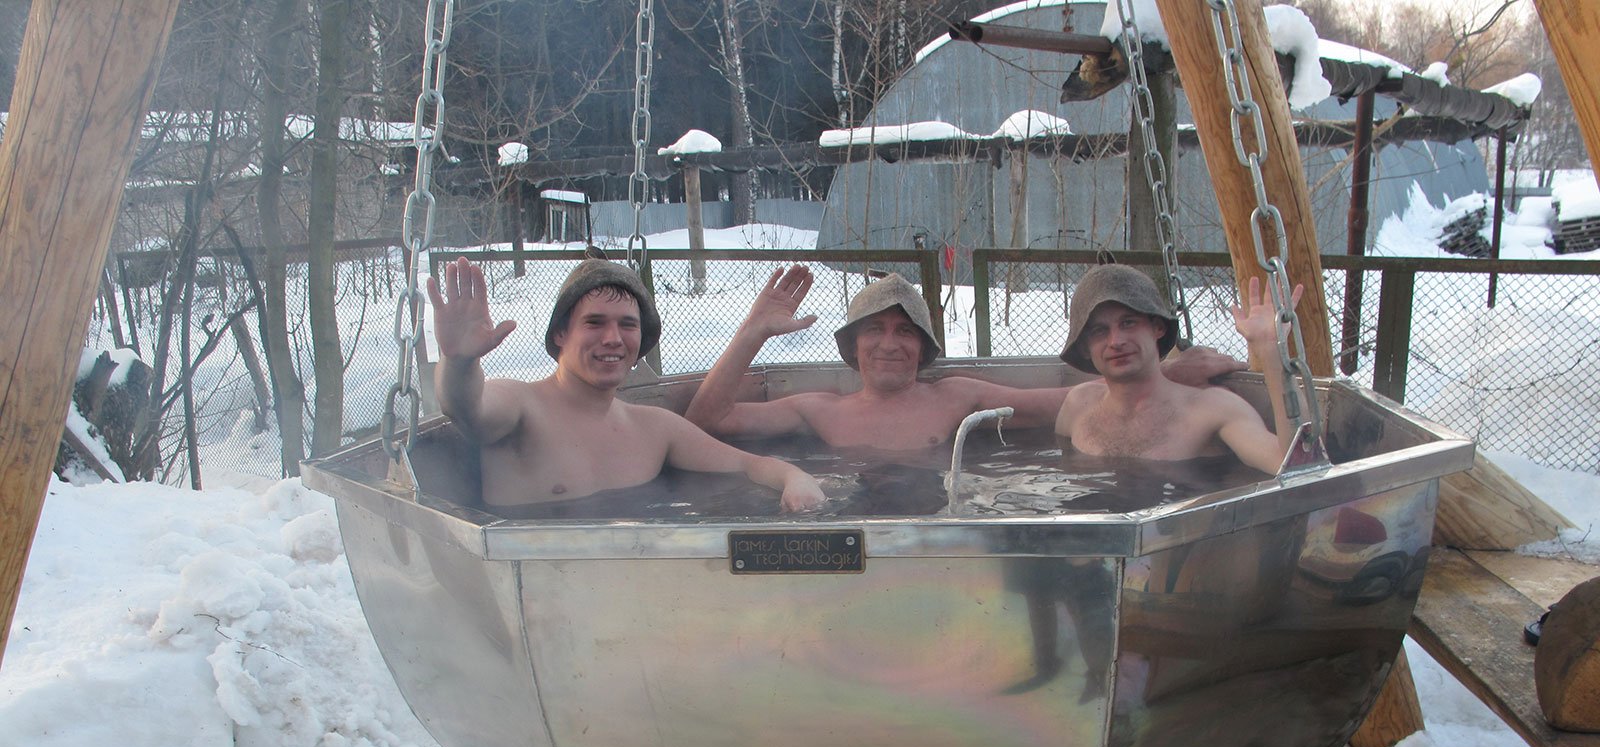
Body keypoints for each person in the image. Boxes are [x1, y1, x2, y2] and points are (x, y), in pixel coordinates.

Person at [683, 266, 1247, 451]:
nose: (889, 343)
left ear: (924, 348)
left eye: (905, 332)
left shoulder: (956, 396)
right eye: (875, 331)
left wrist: (1163, 372)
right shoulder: (817, 409)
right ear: (852, 347)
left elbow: (1068, 403)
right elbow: (707, 423)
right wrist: (752, 332)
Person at [427, 256, 825, 512]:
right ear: (561, 335)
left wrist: (795, 478)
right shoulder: (520, 405)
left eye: (627, 325)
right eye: (594, 323)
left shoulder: (653, 427)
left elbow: (749, 465)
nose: (613, 338)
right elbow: (464, 407)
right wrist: (459, 361)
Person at [1054, 263, 1301, 475]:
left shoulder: (1211, 409)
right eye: (1100, 331)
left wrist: (1271, 351)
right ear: (1085, 347)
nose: (1116, 341)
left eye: (1128, 323)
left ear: (1157, 328)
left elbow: (1293, 465)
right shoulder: (1078, 406)